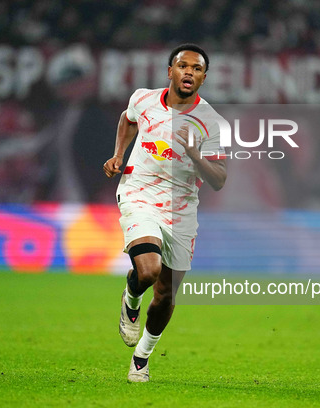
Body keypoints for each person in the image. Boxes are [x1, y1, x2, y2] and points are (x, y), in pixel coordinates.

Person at [103, 44, 227, 382]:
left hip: (181, 208)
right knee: (148, 271)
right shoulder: (143, 99)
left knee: (167, 293)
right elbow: (127, 120)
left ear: (204, 77)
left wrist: (195, 155)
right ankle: (131, 298)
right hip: (138, 192)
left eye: (197, 68)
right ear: (169, 72)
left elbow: (218, 179)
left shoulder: (212, 123)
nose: (189, 72)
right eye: (183, 66)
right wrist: (118, 154)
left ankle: (141, 357)